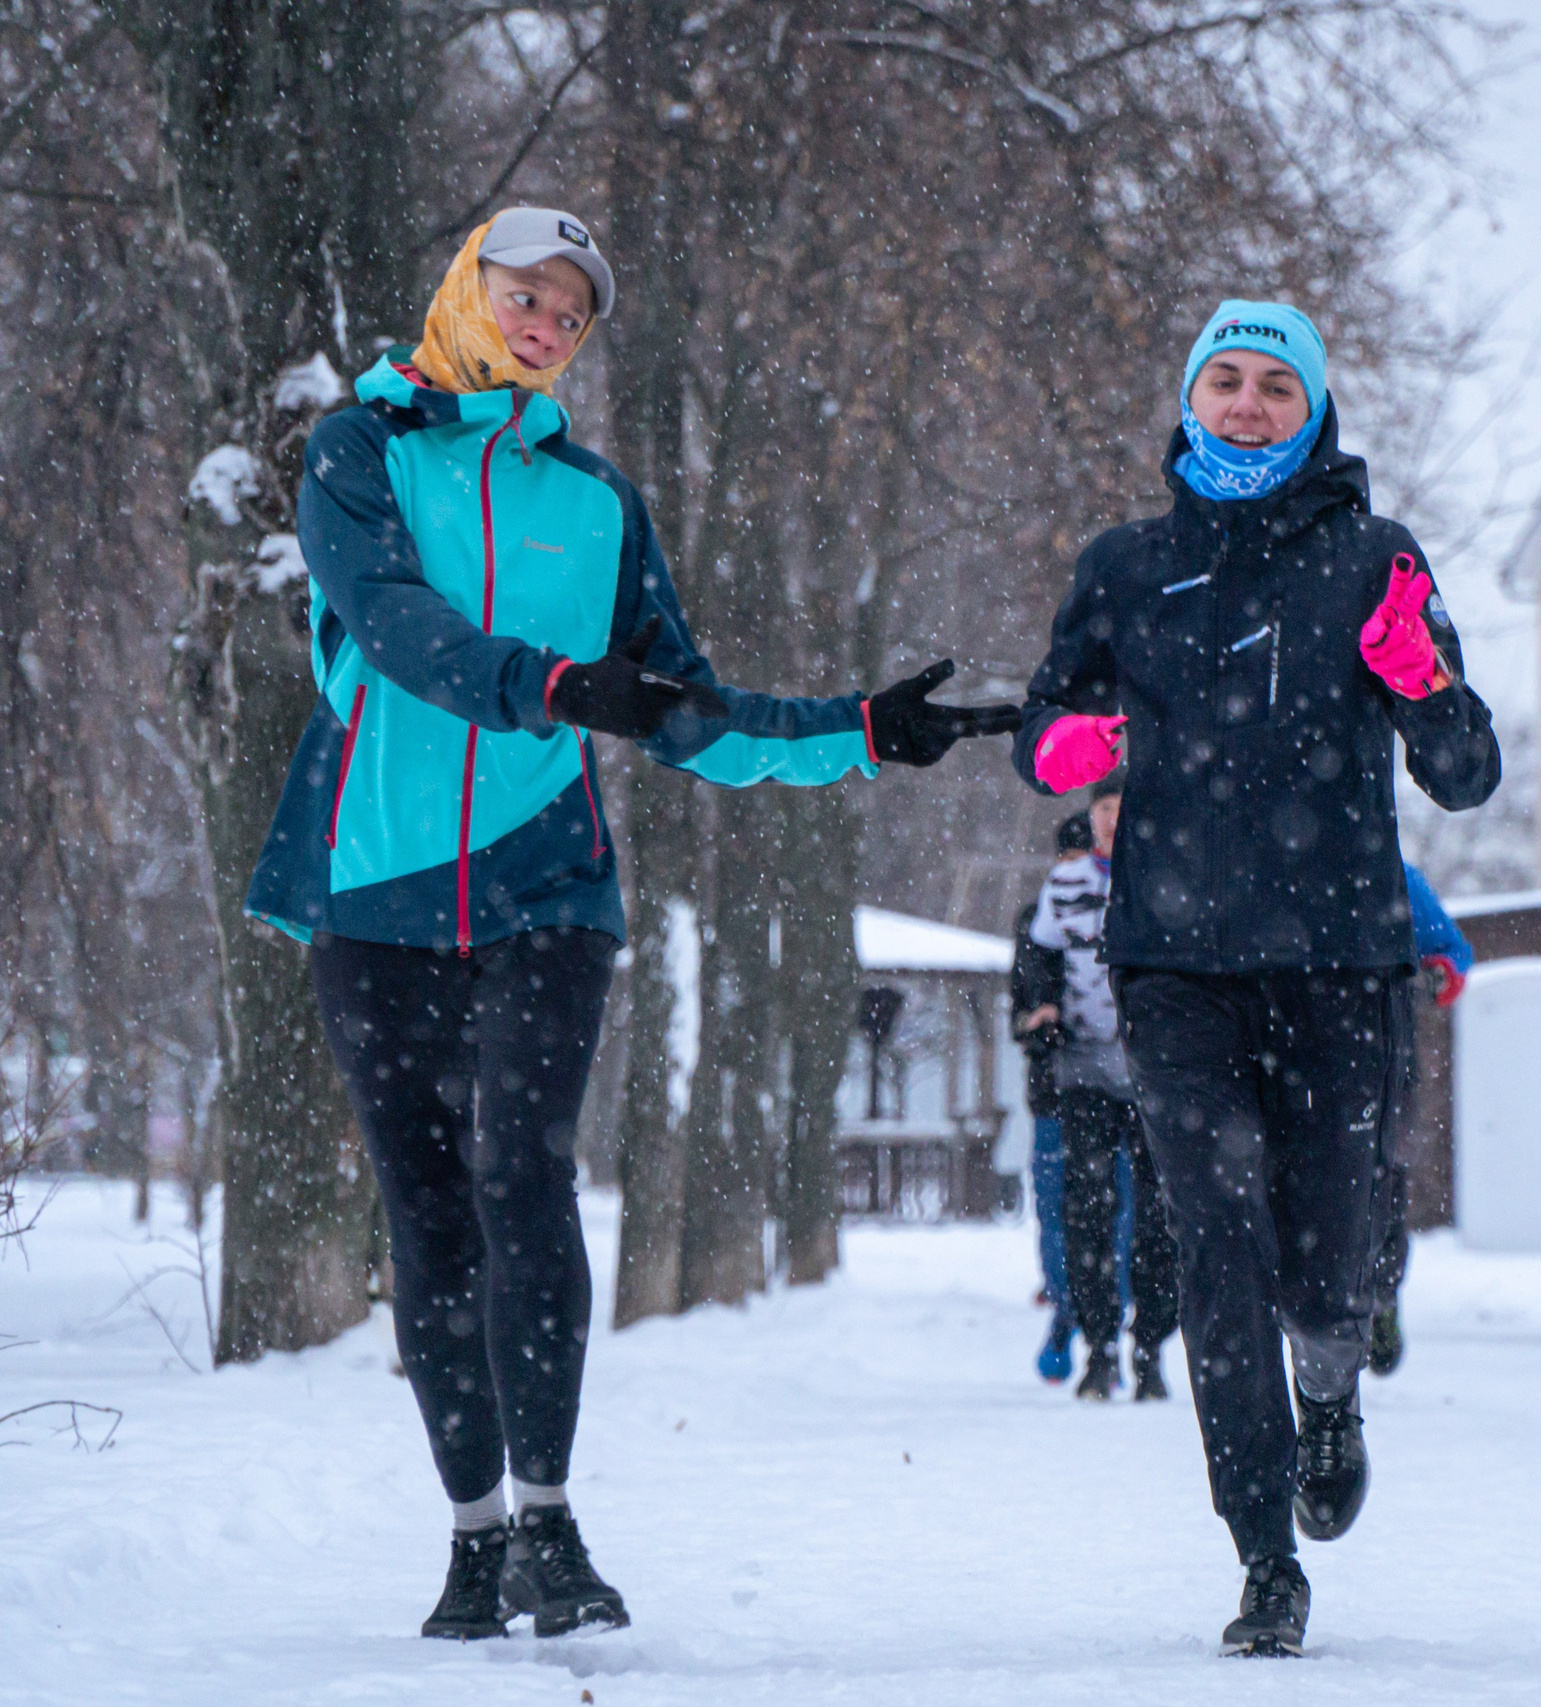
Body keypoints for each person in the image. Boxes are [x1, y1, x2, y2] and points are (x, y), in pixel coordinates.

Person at [244, 207, 1016, 1642]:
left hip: (545, 882)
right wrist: (549, 684)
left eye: (571, 316)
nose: (545, 327)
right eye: (526, 296)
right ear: (468, 289)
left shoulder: (595, 501)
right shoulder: (358, 452)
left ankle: (548, 1517)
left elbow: (686, 713)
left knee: (523, 1172)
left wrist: (859, 729)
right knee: (426, 1211)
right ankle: (471, 1536)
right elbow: (392, 623)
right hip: (373, 876)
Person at [1013, 299, 1500, 1654]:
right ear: (1188, 400)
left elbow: (1466, 773)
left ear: (1315, 409)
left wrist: (1417, 680)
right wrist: (1060, 746)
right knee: (1215, 1246)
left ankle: (1332, 1381)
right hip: (1175, 965)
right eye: (1222, 381)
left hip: (1342, 959)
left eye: (1272, 386)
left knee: (1333, 1243)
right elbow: (1046, 718)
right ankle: (1263, 1553)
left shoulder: (1378, 559)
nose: (1243, 404)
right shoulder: (1126, 566)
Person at [1028, 778, 1180, 1401]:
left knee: (1158, 1218)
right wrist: (1041, 1005)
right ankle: (1100, 1346)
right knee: (1087, 1211)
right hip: (1085, 1070)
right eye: (1102, 811)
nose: (1112, 822)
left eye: (1121, 809)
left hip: (1156, 1073)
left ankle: (1150, 1347)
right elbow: (1037, 954)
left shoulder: (1169, 874)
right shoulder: (1064, 885)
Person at [1366, 861, 1474, 1378]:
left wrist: (1433, 977)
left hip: (1385, 1051)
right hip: (1299, 1055)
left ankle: (1381, 1297)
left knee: (1382, 1180)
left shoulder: (1393, 873)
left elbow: (1453, 954)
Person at [1011, 815, 1093, 1382]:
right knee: (1057, 1212)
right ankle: (1066, 1312)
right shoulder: (1035, 926)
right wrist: (1041, 1021)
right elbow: (1017, 1009)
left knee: (1113, 1213)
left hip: (1111, 1093)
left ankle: (1102, 1321)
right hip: (1053, 1097)